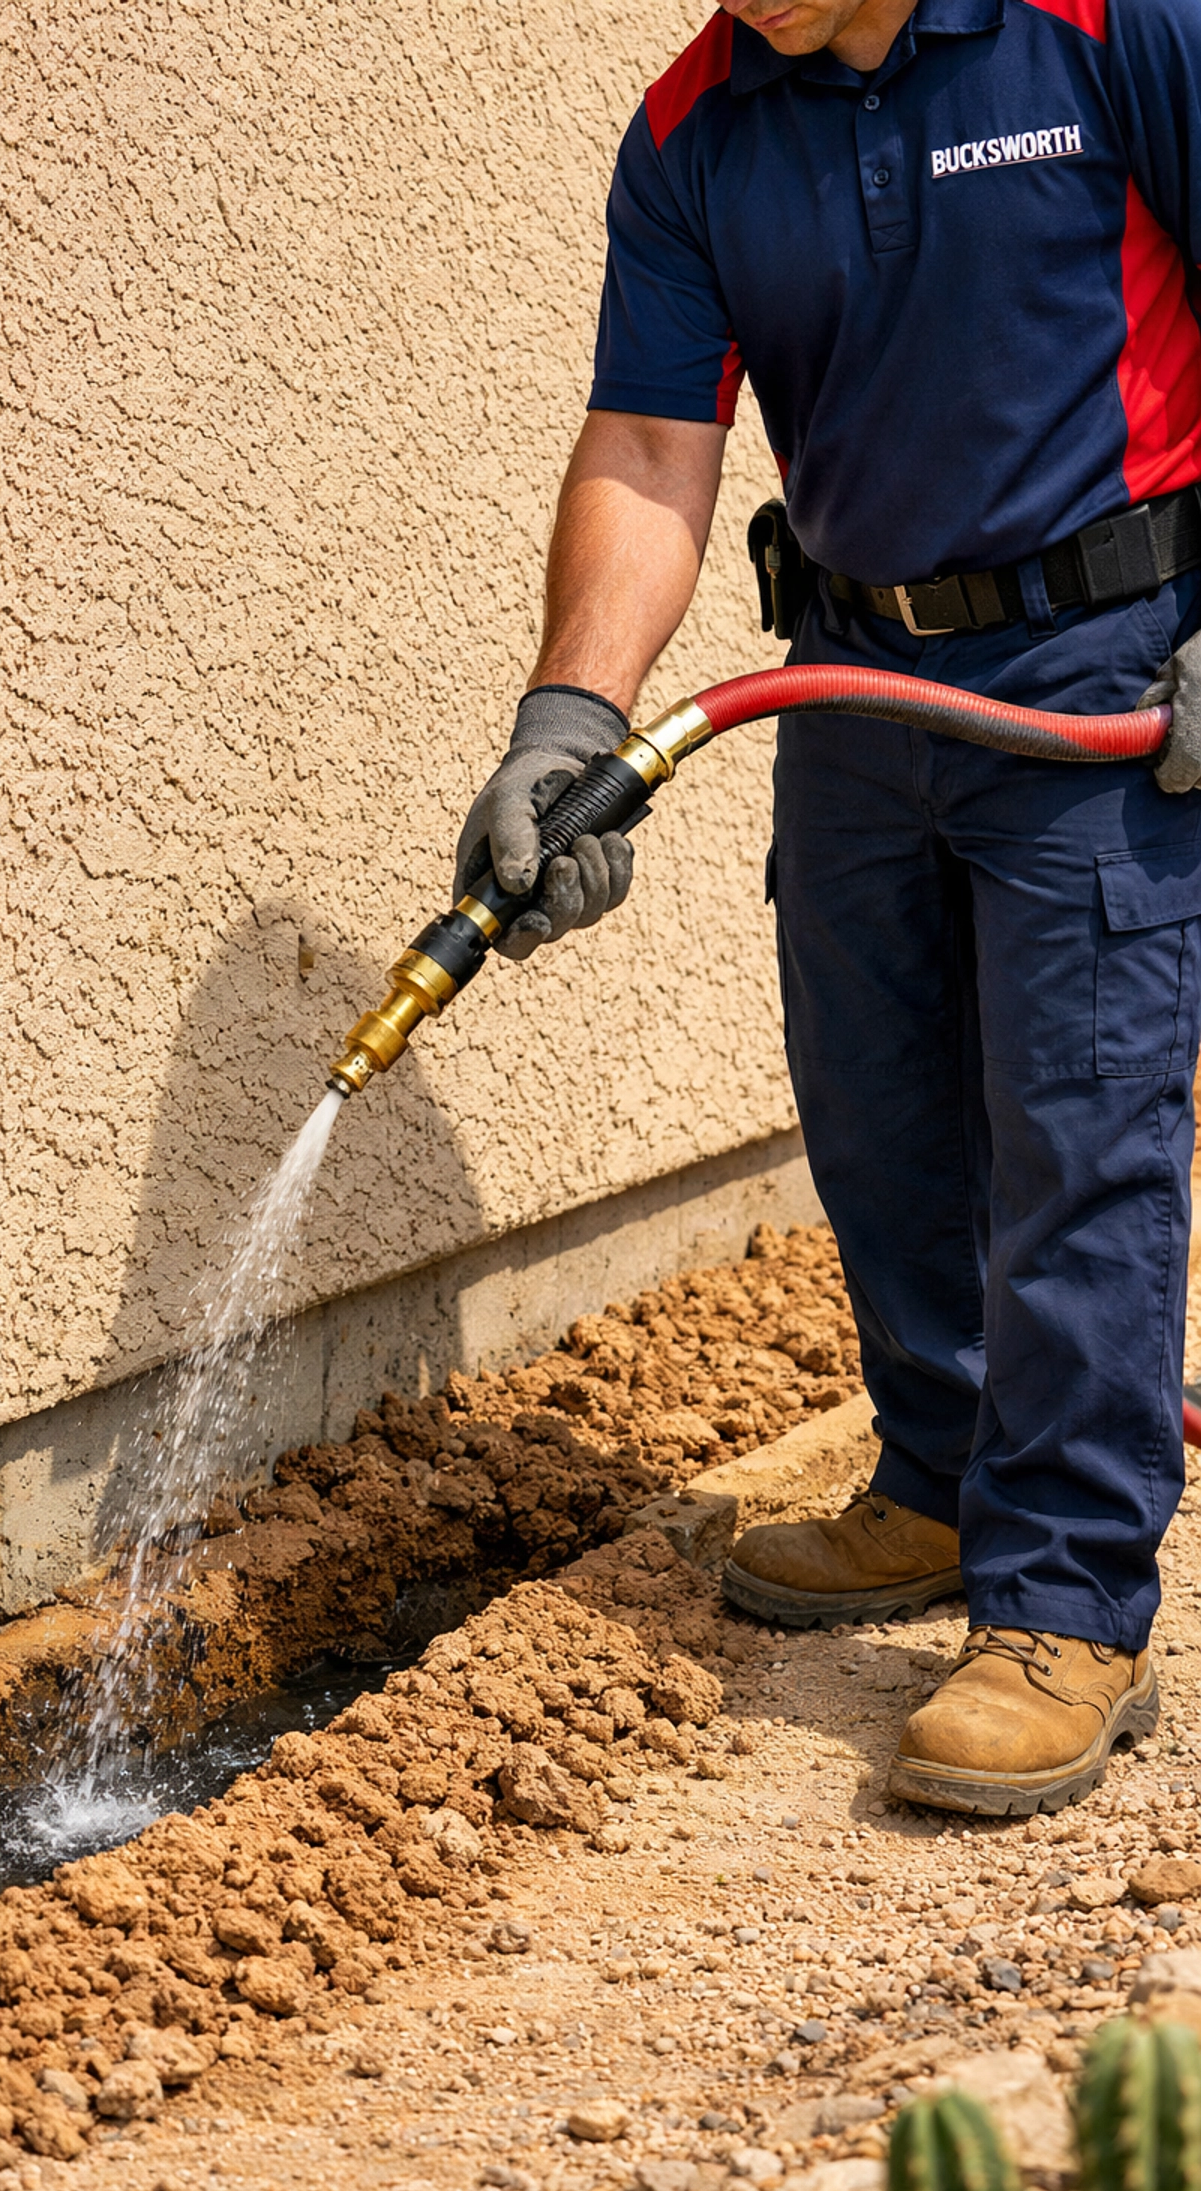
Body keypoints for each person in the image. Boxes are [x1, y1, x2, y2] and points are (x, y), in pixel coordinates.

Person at [454, 0, 1201, 1815]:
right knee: (875, 1111)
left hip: (1103, 662)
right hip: (858, 682)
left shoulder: (1109, 26)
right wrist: (570, 718)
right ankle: (942, 1481)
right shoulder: (697, 128)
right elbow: (648, 447)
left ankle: (1064, 1601)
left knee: (1078, 1133)